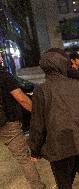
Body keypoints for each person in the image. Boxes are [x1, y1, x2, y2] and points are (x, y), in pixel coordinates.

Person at [29, 48, 79, 189]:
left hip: (58, 144)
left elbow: (38, 124)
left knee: (64, 183)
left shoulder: (41, 90)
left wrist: (35, 150)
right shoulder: (74, 85)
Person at [0, 51, 45, 189]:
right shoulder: (4, 76)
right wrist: (38, 113)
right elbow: (21, 99)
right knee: (24, 159)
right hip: (8, 124)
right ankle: (37, 187)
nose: (1, 57)